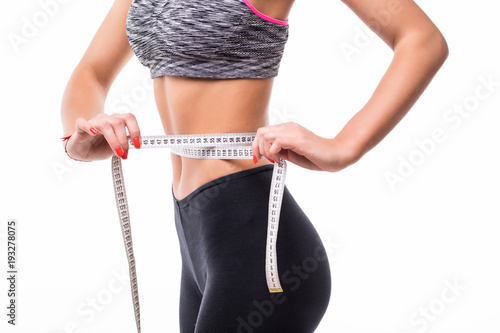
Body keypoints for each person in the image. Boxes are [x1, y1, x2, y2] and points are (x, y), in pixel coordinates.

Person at [60, 0, 448, 331]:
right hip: (194, 233)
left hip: (256, 245)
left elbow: (421, 40)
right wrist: (86, 129)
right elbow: (91, 71)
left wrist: (344, 146)